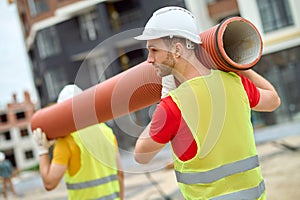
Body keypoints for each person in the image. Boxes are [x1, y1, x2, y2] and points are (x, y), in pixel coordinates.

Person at [134, 6, 281, 200]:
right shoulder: (235, 83)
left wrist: (165, 98)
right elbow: (273, 100)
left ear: (177, 50)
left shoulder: (173, 105)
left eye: (154, 50)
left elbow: (141, 155)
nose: (149, 60)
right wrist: (238, 66)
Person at [32, 84, 124, 200]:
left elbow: (49, 183)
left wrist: (42, 150)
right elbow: (120, 175)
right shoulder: (107, 132)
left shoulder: (67, 141)